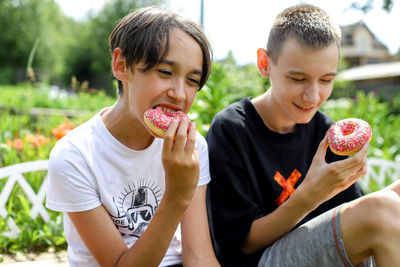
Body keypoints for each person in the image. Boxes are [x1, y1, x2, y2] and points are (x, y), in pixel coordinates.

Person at [206, 4, 400, 267]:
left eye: (326, 80)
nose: (313, 96)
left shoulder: (325, 130)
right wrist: (310, 196)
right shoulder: (232, 129)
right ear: (265, 64)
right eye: (298, 79)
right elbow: (242, 242)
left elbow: (361, 210)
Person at [45, 7, 220, 267]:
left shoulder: (191, 147)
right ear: (121, 65)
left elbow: (199, 256)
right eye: (165, 72)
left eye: (192, 80)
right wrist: (176, 195)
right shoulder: (75, 155)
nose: (180, 94)